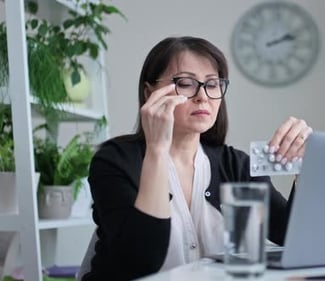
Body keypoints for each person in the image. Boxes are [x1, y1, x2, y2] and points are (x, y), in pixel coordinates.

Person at [81, 36, 312, 280]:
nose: (202, 96)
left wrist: (307, 169)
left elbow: (294, 237)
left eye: (212, 84)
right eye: (185, 83)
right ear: (150, 92)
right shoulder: (114, 160)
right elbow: (142, 262)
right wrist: (157, 149)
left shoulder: (236, 165)